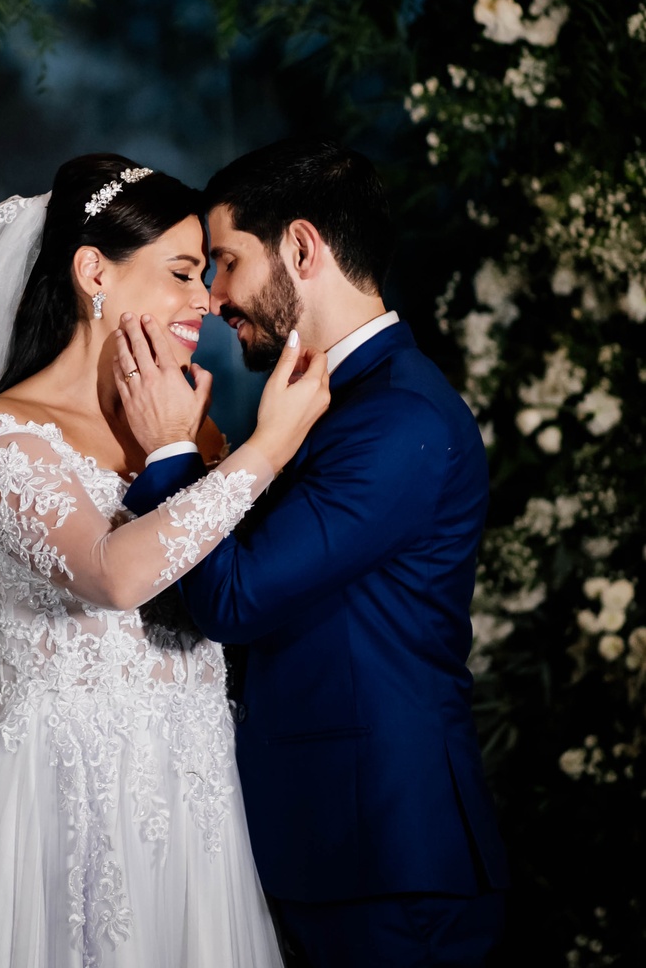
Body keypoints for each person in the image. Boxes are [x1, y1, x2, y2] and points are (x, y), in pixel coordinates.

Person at [0, 152, 330, 968]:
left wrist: (188, 448)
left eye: (206, 276)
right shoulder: (2, 437)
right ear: (94, 271)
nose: (204, 301)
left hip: (191, 786)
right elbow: (115, 575)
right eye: (181, 273)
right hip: (57, 790)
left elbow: (229, 589)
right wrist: (268, 447)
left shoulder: (186, 426)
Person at [120, 138, 509, 968]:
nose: (212, 297)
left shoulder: (397, 418)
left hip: (386, 859)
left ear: (301, 248)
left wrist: (169, 452)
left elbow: (234, 600)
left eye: (226, 261)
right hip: (324, 844)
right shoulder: (320, 400)